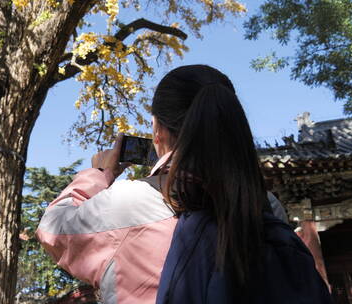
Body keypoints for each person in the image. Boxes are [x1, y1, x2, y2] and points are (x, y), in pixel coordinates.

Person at [36, 65, 327, 304]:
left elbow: (52, 230)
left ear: (157, 130)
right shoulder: (264, 204)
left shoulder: (127, 203)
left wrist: (99, 173)